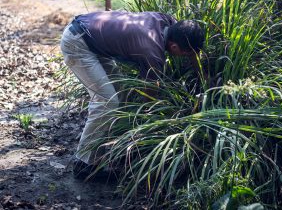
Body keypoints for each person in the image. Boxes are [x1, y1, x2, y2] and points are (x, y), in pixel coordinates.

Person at [60, 10, 205, 178]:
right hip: (77, 43)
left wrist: (202, 76)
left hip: (91, 37)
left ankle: (104, 149)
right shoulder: (151, 51)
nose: (188, 57)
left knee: (122, 94)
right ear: (174, 47)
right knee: (107, 101)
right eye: (186, 54)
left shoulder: (170, 23)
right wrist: (149, 124)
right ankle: (83, 164)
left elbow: (193, 51)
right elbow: (149, 97)